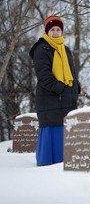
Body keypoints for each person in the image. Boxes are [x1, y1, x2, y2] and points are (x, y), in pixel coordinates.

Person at [29, 15, 81, 166]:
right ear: (47, 31)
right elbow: (44, 76)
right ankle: (49, 166)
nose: (56, 32)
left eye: (59, 29)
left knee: (65, 131)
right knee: (53, 131)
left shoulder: (66, 50)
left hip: (67, 98)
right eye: (53, 29)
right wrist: (60, 89)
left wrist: (76, 86)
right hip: (50, 99)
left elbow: (72, 72)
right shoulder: (41, 48)